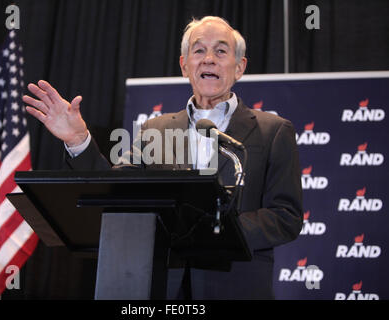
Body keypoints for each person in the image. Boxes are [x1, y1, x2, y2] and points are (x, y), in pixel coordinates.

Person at [23, 16, 303, 299]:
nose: (209, 59)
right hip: (160, 287)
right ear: (184, 66)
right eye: (198, 50)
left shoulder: (274, 131)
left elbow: (286, 216)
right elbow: (117, 192)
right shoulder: (154, 130)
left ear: (239, 67)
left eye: (221, 51)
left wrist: (220, 231)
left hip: (235, 287)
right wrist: (77, 140)